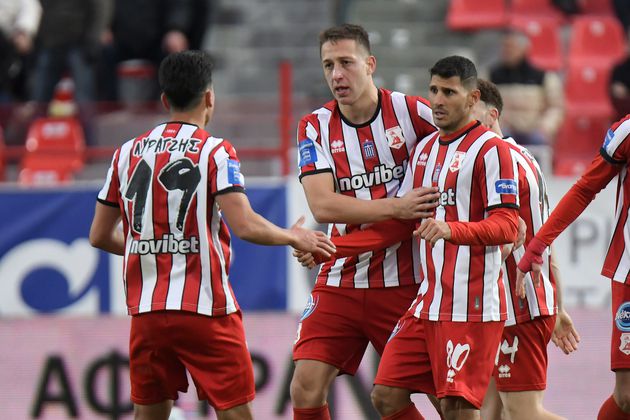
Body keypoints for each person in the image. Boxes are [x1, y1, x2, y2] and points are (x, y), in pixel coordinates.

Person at [89, 50, 336, 420]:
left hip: (147, 313)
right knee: (235, 413)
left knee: (148, 415)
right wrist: (293, 236)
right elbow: (245, 224)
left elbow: (98, 235)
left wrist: (153, 249)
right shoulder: (215, 151)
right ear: (209, 98)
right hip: (205, 309)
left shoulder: (126, 153)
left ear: (164, 100)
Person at [315, 56, 521, 420]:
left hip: (471, 306)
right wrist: (332, 249)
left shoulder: (492, 150)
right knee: (386, 395)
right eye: (433, 91)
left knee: (457, 410)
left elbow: (508, 225)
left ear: (473, 98)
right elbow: (400, 223)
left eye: (449, 92)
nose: (438, 100)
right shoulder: (424, 150)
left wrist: (452, 229)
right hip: (427, 302)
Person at [290, 23, 440, 420]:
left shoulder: (413, 113)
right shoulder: (314, 126)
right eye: (328, 65)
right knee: (304, 386)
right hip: (341, 280)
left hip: (406, 282)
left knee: (444, 399)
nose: (337, 75)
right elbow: (323, 206)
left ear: (370, 64)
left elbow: (470, 139)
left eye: (346, 63)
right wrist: (396, 207)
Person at [472, 79, 579, 420]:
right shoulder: (525, 157)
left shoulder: (500, 164)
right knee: (488, 412)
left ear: (491, 115)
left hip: (518, 307)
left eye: (470, 113)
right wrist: (557, 306)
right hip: (512, 306)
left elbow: (506, 240)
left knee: (522, 413)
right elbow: (545, 239)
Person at [518, 114, 630, 420]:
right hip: (628, 274)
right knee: (627, 396)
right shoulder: (626, 131)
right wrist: (538, 243)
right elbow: (585, 188)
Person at [489, 30, 564, 146]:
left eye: (511, 47)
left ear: (524, 49)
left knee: (538, 140)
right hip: (504, 129)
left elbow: (556, 107)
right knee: (498, 139)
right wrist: (494, 124)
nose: (507, 51)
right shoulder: (491, 76)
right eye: (504, 47)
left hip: (534, 131)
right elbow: (483, 105)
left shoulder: (543, 76)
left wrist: (545, 128)